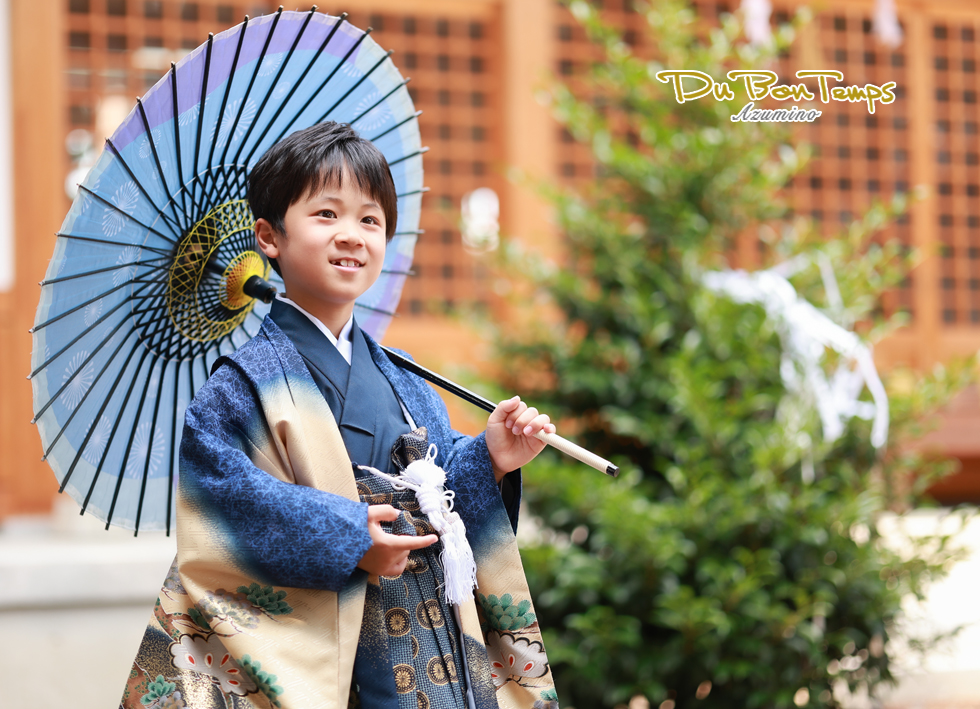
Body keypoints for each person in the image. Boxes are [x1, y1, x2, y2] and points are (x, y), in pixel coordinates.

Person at [119, 122, 560, 709]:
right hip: (331, 653)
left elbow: (441, 483)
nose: (351, 235)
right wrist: (352, 537)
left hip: (432, 643)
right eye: (326, 215)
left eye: (369, 220)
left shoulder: (405, 376)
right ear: (269, 238)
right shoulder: (240, 387)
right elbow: (225, 503)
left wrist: (490, 458)